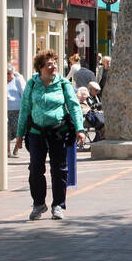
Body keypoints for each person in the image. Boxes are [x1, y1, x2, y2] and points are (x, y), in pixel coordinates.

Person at [13, 49, 85, 220]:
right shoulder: (31, 84)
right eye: (49, 64)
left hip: (58, 132)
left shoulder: (62, 83)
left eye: (54, 63)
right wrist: (19, 135)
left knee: (59, 170)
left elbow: (74, 106)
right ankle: (38, 204)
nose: (53, 67)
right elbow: (24, 110)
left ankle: (58, 205)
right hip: (36, 133)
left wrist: (80, 129)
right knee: (35, 169)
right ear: (40, 67)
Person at [6, 62, 26, 156]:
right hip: (5, 110)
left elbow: (23, 93)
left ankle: (16, 147)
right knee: (7, 131)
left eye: (9, 73)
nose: (7, 76)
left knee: (18, 130)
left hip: (17, 109)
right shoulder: (2, 81)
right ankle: (8, 151)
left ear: (12, 73)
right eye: (6, 73)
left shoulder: (18, 80)